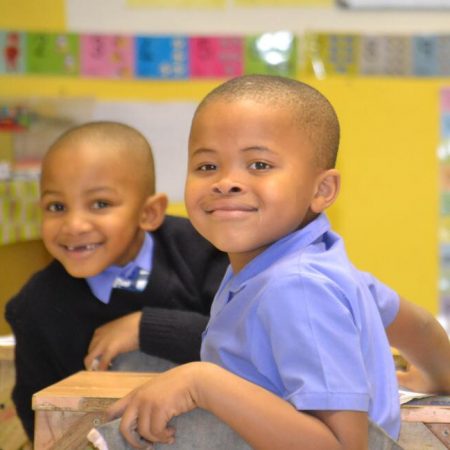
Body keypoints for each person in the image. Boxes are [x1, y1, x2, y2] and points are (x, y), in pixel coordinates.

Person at [95, 75, 450, 450]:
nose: (226, 182)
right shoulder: (310, 266)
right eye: (207, 166)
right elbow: (421, 326)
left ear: (321, 190)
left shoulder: (297, 287)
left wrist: (202, 383)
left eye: (259, 164)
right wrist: (439, 377)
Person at [4, 121, 228, 441]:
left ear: (149, 213)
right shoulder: (35, 306)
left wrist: (145, 328)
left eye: (100, 204)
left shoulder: (206, 254)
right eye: (57, 206)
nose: (74, 225)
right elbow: (39, 410)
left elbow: (245, 345)